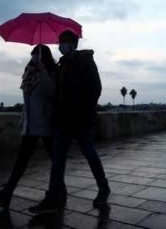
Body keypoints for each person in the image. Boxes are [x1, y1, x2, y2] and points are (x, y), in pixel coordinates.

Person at [29, 30, 110, 214]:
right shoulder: (62, 64)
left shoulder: (85, 61)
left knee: (89, 154)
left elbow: (96, 88)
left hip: (80, 119)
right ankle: (52, 198)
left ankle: (103, 187)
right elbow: (57, 91)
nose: (60, 45)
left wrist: (85, 111)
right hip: (62, 119)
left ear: (73, 44)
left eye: (63, 42)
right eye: (60, 42)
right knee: (57, 160)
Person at [0, 44, 59, 208]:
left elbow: (51, 93)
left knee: (55, 162)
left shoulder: (52, 72)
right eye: (33, 54)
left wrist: (42, 72)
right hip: (31, 125)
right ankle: (7, 193)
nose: (33, 57)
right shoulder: (29, 73)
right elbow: (29, 102)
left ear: (44, 57)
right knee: (22, 161)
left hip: (46, 124)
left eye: (37, 55)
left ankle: (59, 193)